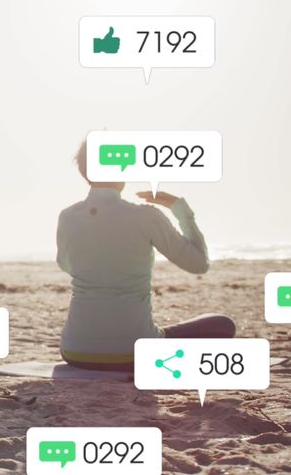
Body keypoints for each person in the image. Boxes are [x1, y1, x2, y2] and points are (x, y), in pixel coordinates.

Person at [56, 140, 235, 371]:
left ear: (85, 172)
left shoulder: (67, 217)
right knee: (223, 324)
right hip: (135, 352)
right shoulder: (146, 216)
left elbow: (66, 264)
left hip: (75, 351)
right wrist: (181, 210)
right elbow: (199, 264)